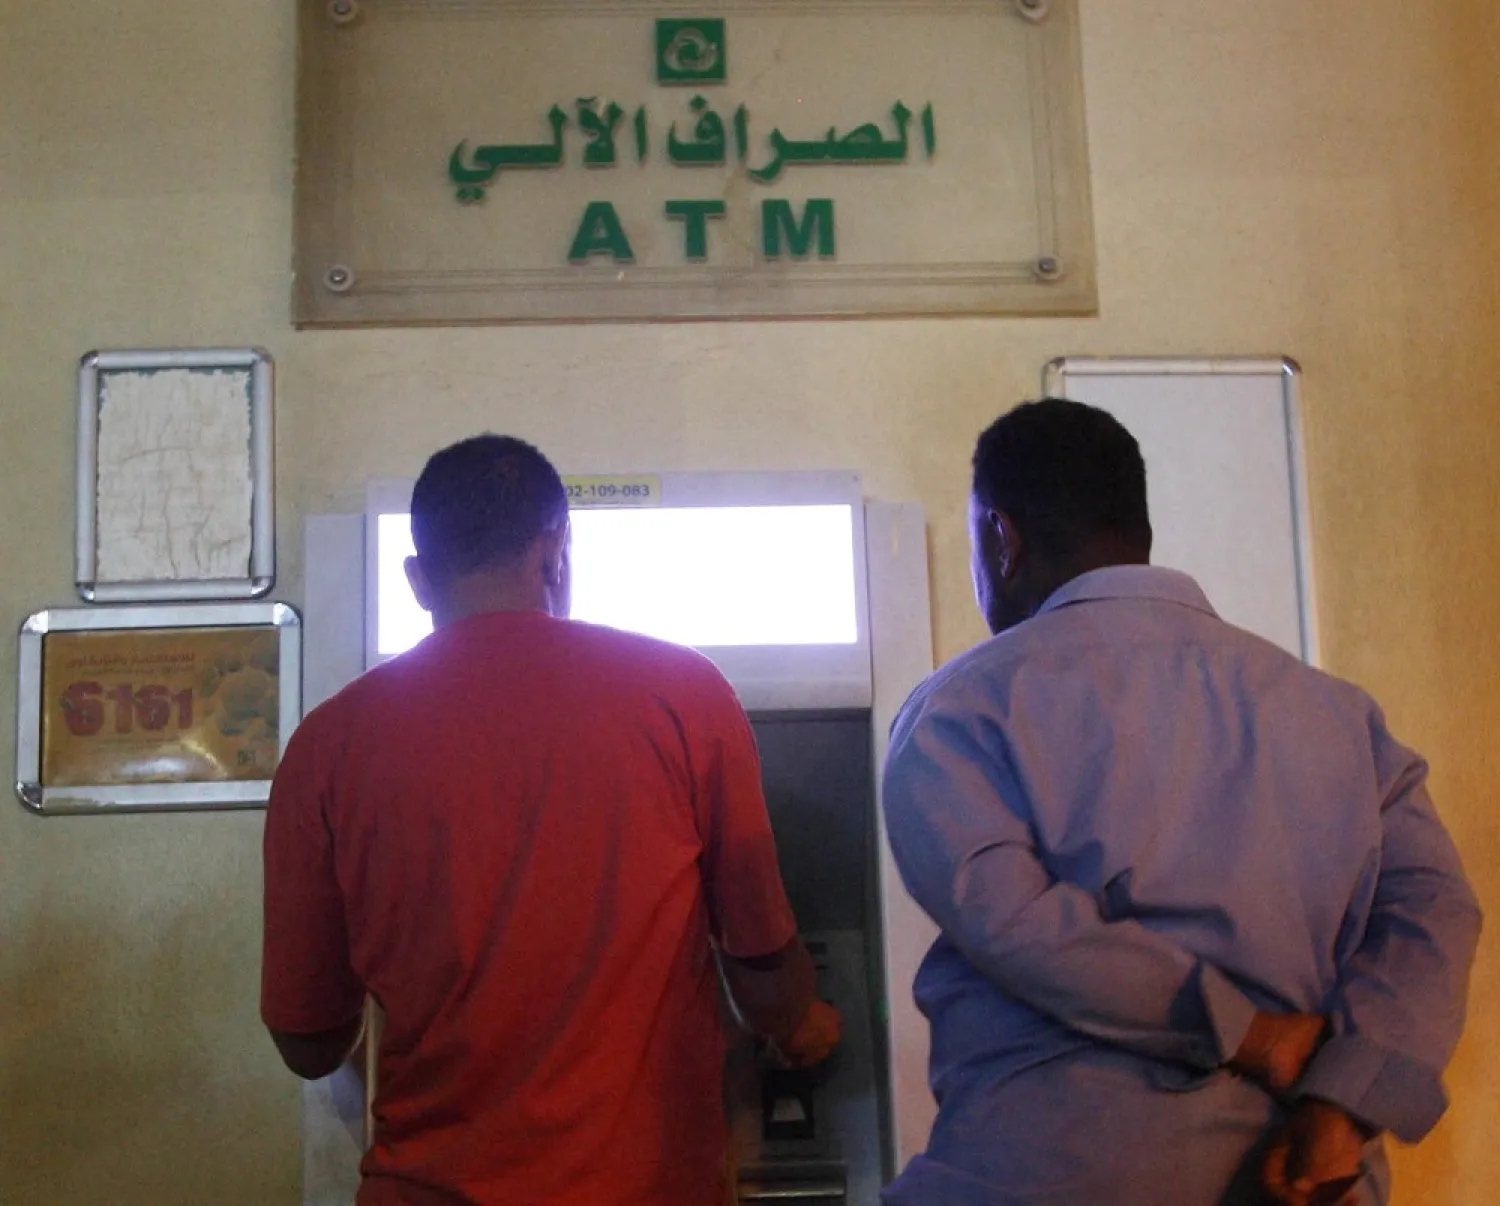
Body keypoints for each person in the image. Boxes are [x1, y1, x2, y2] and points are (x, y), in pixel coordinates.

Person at [881, 398, 1480, 1206]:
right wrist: (1347, 1097)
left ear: (1000, 537)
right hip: (1304, 1177)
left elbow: (1012, 920)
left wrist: (1250, 1034)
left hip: (1044, 1173)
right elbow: (1435, 909)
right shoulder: (1337, 713)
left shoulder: (959, 710)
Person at [261, 434, 841, 1206]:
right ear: (558, 553)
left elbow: (307, 1041)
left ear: (417, 579)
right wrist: (802, 1022)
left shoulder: (327, 745)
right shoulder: (684, 695)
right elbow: (763, 976)